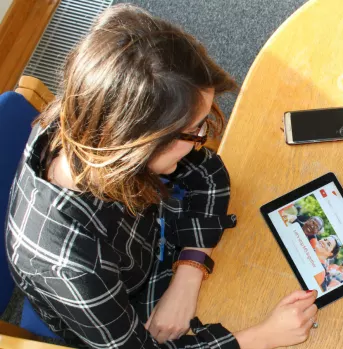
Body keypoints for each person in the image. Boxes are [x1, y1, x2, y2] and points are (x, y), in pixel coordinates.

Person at [4, 5, 317, 349]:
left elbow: (209, 174)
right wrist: (262, 337)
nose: (202, 140)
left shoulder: (98, 124)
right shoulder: (70, 266)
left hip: (153, 243)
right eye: (194, 131)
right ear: (136, 146)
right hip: (119, 308)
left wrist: (190, 269)